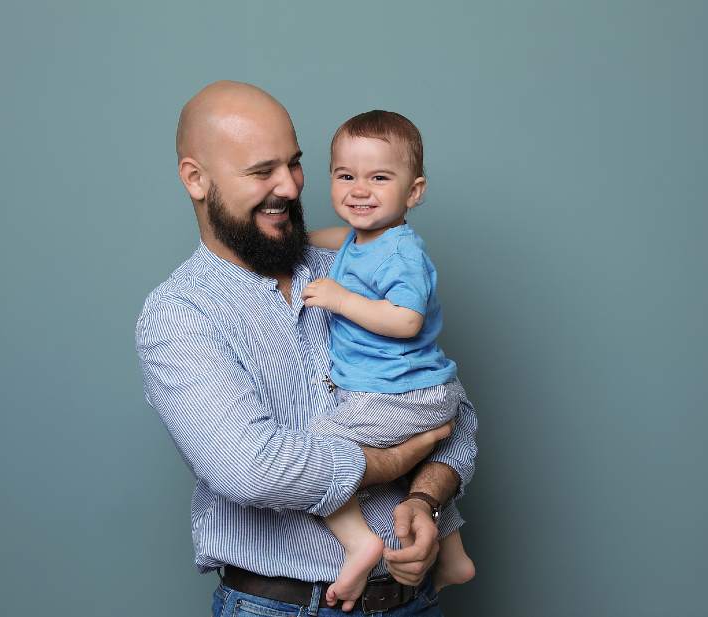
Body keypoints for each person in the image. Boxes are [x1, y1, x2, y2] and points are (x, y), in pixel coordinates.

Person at [135, 81, 478, 617]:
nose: (292, 188)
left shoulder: (351, 265)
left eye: (294, 164)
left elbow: (451, 412)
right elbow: (254, 469)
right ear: (196, 179)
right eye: (261, 171)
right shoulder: (180, 314)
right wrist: (395, 460)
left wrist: (425, 500)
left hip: (415, 601)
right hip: (287, 608)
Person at [302, 110, 476, 610]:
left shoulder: (403, 254)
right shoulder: (365, 239)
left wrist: (340, 300)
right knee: (411, 473)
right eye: (345, 176)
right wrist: (306, 240)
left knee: (319, 454)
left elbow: (406, 321)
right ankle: (453, 554)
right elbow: (343, 242)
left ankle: (360, 541)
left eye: (380, 177)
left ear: (414, 192)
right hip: (420, 390)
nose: (360, 189)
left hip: (398, 394)